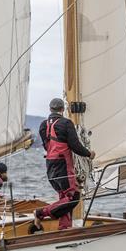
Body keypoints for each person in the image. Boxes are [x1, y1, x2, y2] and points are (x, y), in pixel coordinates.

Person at [32, 98, 95, 232]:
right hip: (63, 165)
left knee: (64, 197)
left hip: (50, 165)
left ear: (50, 109)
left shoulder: (43, 125)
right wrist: (89, 154)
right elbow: (75, 146)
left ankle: (64, 227)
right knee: (73, 197)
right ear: (62, 109)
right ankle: (40, 213)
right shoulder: (66, 123)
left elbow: (46, 145)